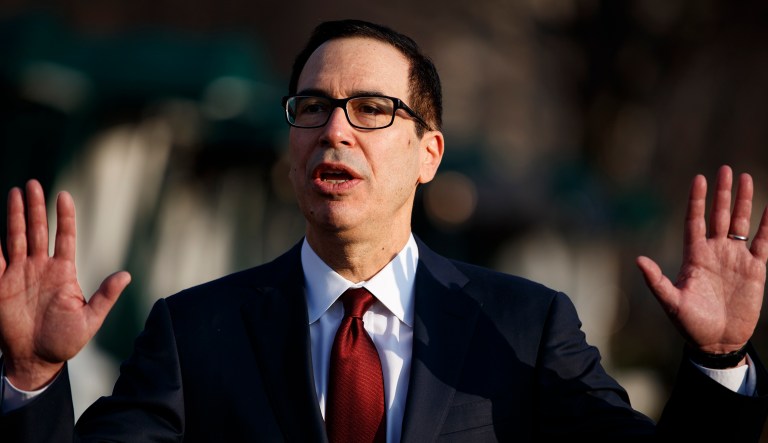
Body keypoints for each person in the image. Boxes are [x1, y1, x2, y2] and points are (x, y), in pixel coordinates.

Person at [1, 19, 768, 442]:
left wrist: (719, 361)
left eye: (372, 109)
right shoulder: (194, 329)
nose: (335, 129)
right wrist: (32, 378)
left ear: (428, 152)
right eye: (312, 108)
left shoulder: (523, 326)